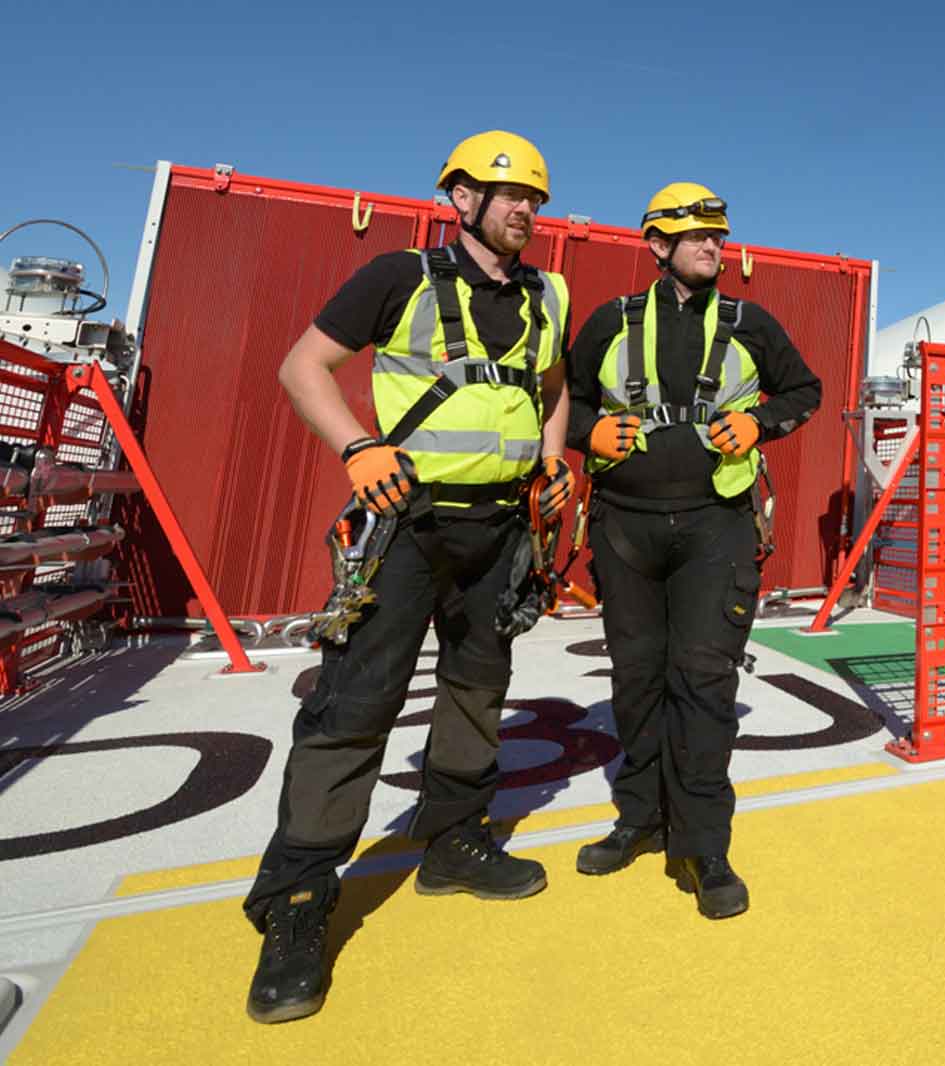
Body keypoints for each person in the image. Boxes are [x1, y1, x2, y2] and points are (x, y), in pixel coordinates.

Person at [242, 130, 573, 1024]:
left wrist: (551, 461)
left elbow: (552, 388)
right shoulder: (400, 277)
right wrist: (355, 445)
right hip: (407, 522)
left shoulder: (549, 291)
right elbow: (301, 367)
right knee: (355, 704)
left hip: (502, 527)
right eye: (506, 194)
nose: (523, 210)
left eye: (533, 197)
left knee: (477, 689)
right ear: (458, 199)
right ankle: (300, 902)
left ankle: (455, 843)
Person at [566, 182, 820, 919]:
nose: (715, 246)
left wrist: (761, 425)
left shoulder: (749, 321)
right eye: (698, 235)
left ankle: (704, 845)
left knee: (704, 684)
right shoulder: (612, 322)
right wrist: (587, 433)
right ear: (657, 245)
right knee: (637, 680)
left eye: (719, 235)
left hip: (717, 526)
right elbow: (567, 401)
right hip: (625, 527)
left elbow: (803, 389)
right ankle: (640, 818)